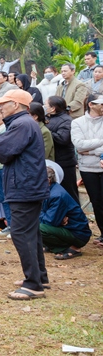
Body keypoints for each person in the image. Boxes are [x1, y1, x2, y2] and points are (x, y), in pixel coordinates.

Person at [0, 89, 50, 300]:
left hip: (24, 186)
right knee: (31, 232)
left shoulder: (21, 124)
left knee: (20, 233)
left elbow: (2, 152)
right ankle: (39, 276)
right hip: (28, 184)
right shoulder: (24, 123)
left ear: (15, 105)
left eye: (3, 104)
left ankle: (33, 284)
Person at [70, 93, 103, 248]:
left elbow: (85, 147)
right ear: (91, 104)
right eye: (100, 104)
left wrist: (91, 149)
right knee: (96, 201)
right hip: (88, 168)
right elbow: (79, 145)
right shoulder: (78, 122)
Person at [41, 164, 91, 260]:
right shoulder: (49, 190)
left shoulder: (56, 195)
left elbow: (48, 222)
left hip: (78, 234)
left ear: (47, 181)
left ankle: (71, 249)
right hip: (66, 228)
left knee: (39, 228)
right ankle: (51, 245)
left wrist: (39, 212)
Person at [45, 96, 78, 202]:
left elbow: (63, 139)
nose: (44, 106)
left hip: (65, 162)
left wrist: (46, 132)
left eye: (46, 105)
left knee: (69, 192)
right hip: (53, 161)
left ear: (53, 108)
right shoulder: (48, 118)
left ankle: (75, 217)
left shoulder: (66, 120)